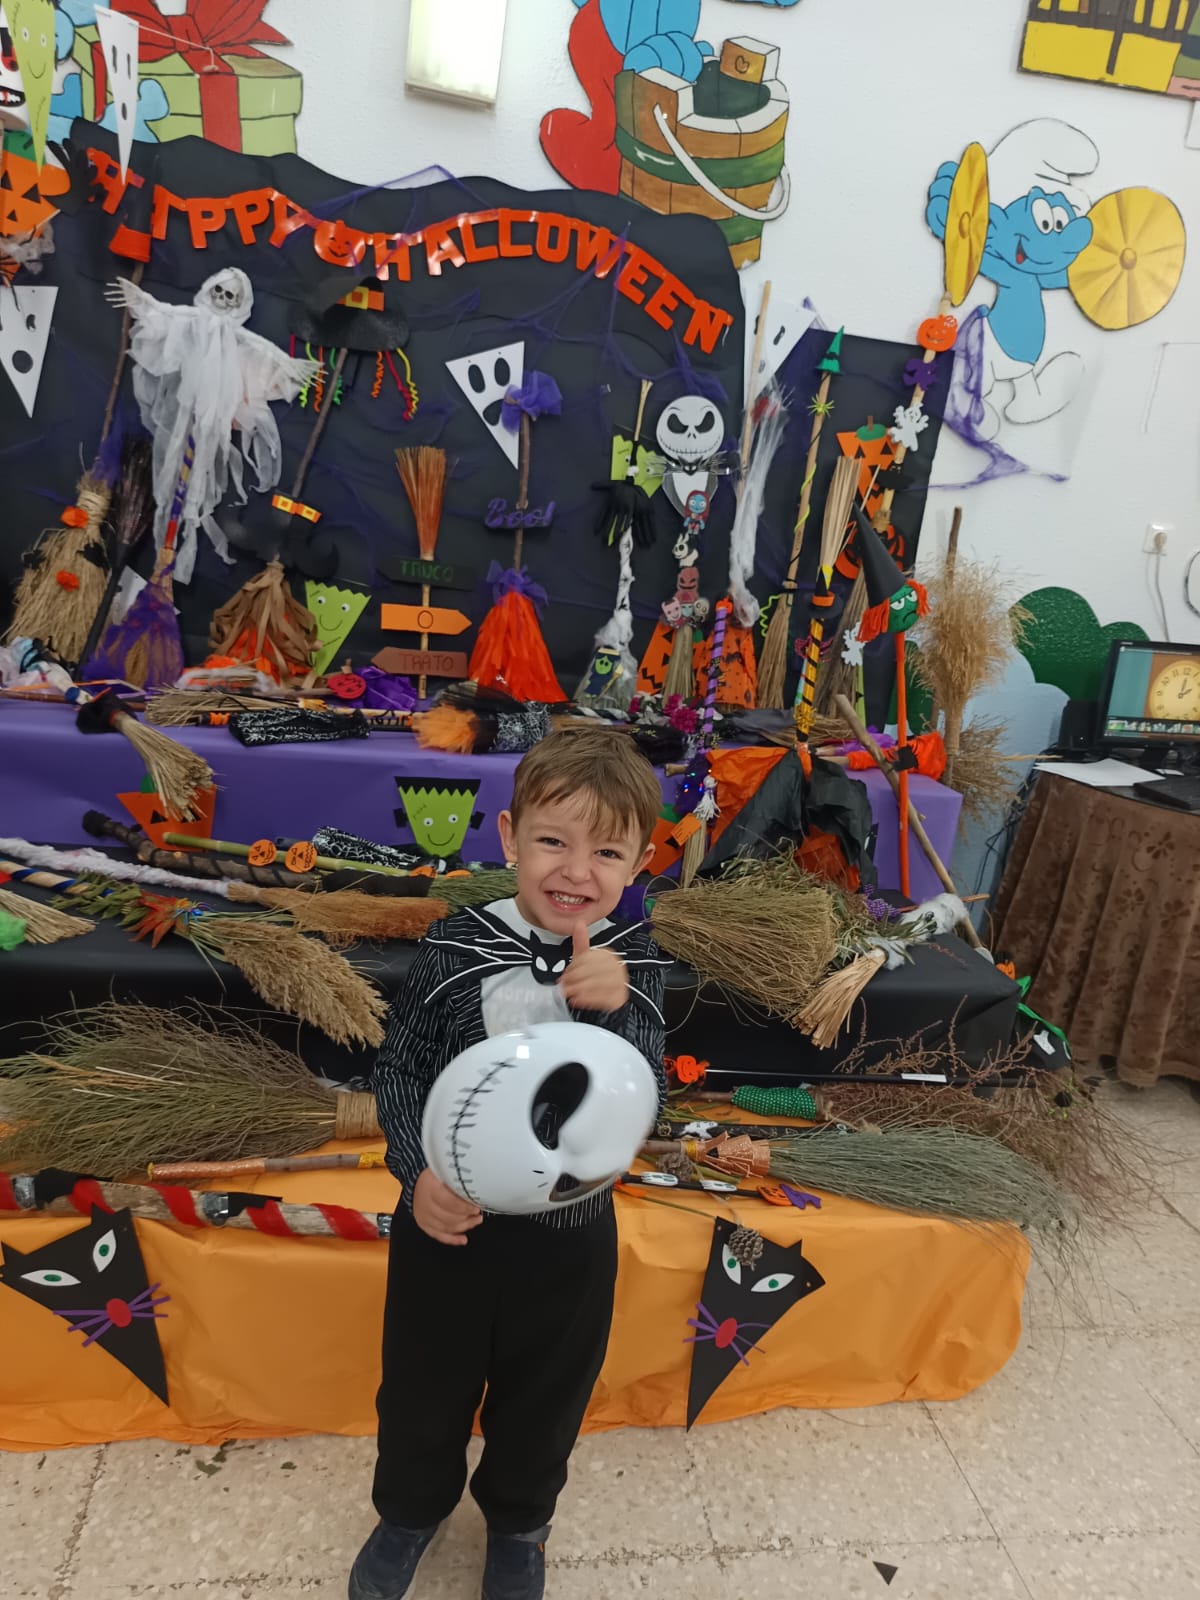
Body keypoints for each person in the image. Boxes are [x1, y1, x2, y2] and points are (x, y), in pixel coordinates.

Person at [350, 727, 669, 1600]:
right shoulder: (455, 946)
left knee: (547, 1394)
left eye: (607, 852)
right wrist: (416, 1174)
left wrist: (617, 1013)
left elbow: (647, 1098)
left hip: (569, 1237)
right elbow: (401, 1069)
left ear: (640, 863)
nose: (577, 871)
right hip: (447, 1228)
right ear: (508, 838)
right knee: (422, 1387)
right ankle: (410, 1511)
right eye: (553, 841)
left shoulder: (638, 964)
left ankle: (521, 1523)